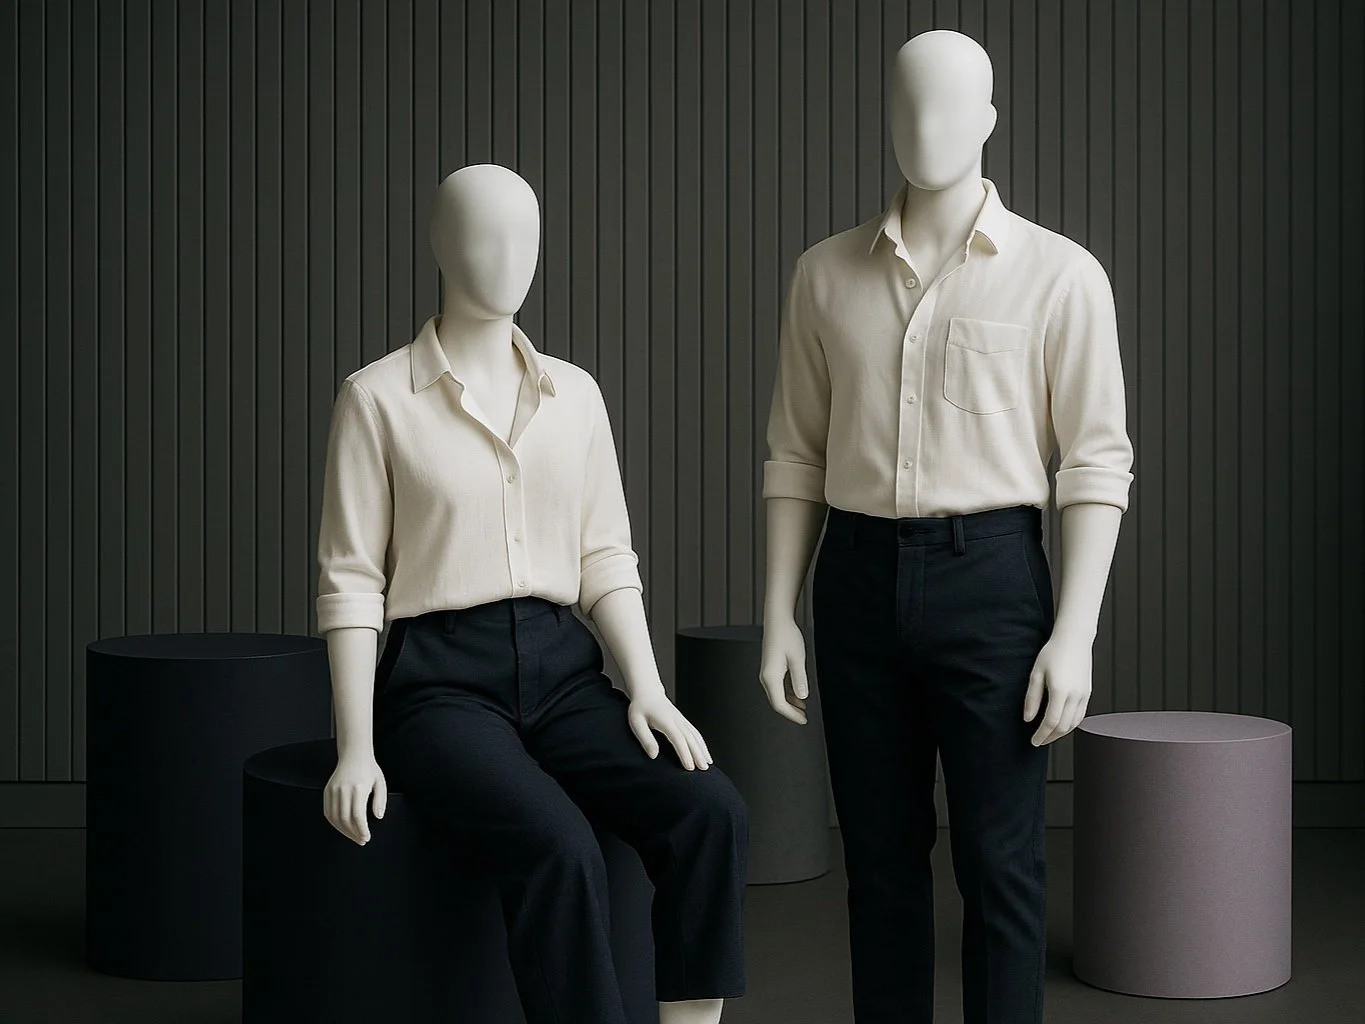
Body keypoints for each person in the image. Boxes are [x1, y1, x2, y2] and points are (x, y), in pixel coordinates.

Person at [316, 163, 747, 1024]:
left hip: (565, 670)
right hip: (439, 684)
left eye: (526, 237)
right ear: (440, 246)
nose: (508, 258)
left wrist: (649, 689)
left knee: (710, 812)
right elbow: (352, 581)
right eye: (483, 235)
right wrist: (354, 746)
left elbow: (604, 557)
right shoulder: (375, 399)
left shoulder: (575, 394)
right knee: (560, 849)